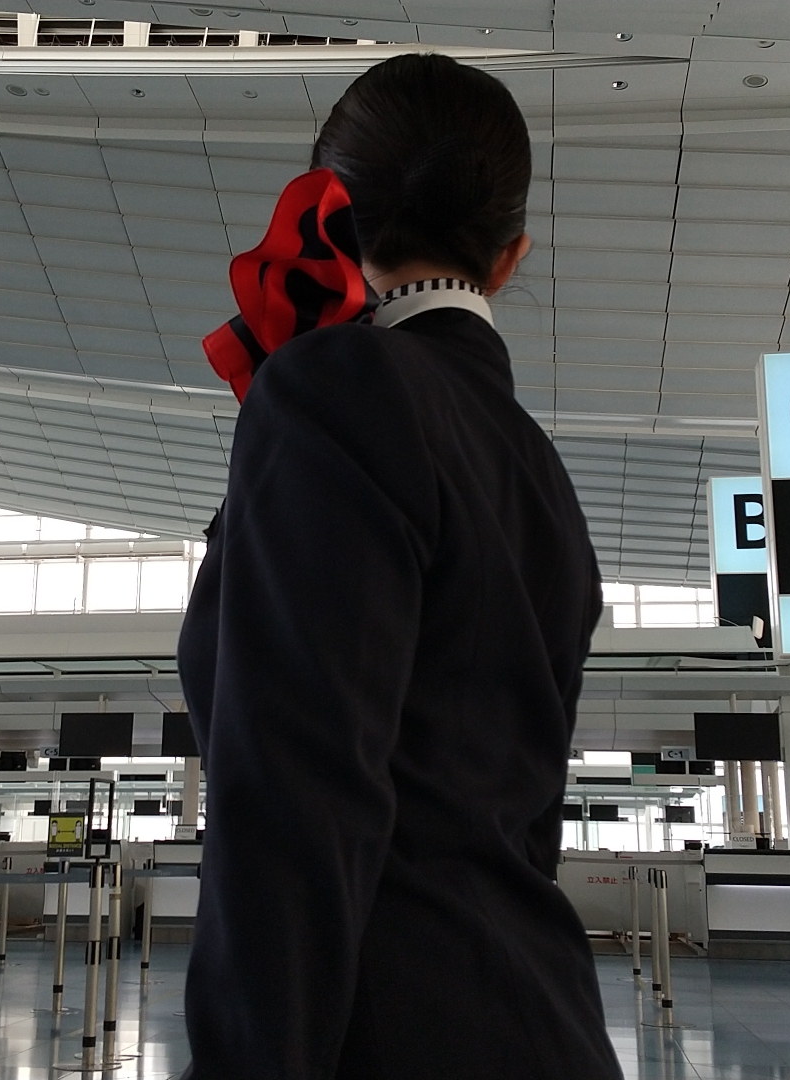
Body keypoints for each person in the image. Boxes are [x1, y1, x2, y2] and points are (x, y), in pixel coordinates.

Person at [177, 53, 624, 1080]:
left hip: (388, 1033)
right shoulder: (536, 470)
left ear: (328, 212)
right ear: (509, 258)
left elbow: (295, 802)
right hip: (544, 1023)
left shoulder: (333, 391)